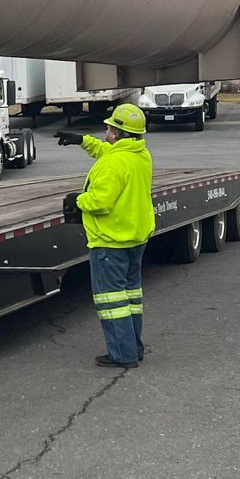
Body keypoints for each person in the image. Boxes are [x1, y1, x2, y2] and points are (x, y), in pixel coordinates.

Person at [58, 102, 155, 368]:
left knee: (111, 302)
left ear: (119, 133)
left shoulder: (112, 165)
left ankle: (122, 355)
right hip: (134, 238)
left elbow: (100, 202)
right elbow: (109, 153)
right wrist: (82, 141)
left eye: (110, 128)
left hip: (110, 241)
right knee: (130, 298)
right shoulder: (140, 154)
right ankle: (133, 348)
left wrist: (78, 200)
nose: (107, 130)